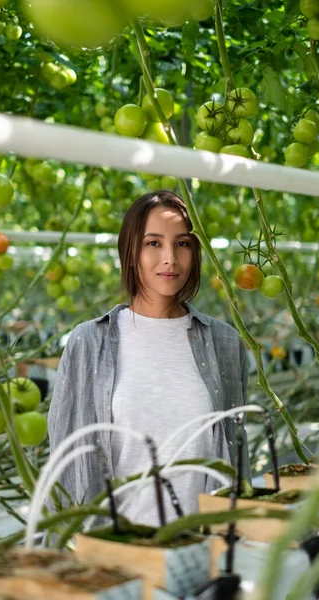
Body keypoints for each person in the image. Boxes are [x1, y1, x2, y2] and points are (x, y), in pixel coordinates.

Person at [48, 190, 250, 526]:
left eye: (182, 243)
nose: (170, 258)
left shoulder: (224, 343)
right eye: (153, 243)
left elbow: (233, 450)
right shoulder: (88, 342)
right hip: (114, 550)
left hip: (202, 546)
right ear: (130, 253)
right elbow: (66, 460)